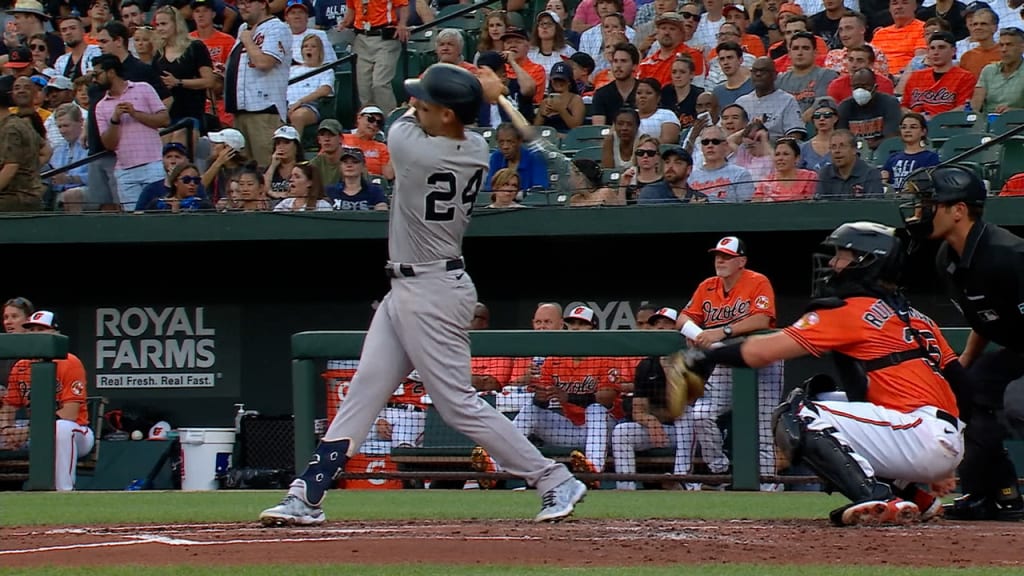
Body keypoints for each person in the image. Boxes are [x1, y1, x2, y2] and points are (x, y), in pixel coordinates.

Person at [259, 63, 587, 527]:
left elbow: (402, 120)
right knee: (364, 391)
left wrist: (481, 90)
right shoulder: (473, 147)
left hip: (433, 289)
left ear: (448, 114)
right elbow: (448, 111)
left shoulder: (413, 147)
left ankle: (553, 478)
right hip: (410, 286)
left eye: (426, 103)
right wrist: (489, 91)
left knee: (457, 404)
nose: (416, 104)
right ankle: (307, 493)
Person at [676, 221, 969, 525]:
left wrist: (697, 359)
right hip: (934, 432)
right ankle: (917, 500)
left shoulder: (852, 309)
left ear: (866, 262)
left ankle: (878, 497)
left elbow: (761, 351)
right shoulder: (917, 317)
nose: (832, 263)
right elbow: (962, 384)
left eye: (842, 255)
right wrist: (947, 461)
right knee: (823, 396)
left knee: (796, 413)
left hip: (918, 433)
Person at [902, 164, 1024, 521]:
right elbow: (983, 318)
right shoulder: (947, 258)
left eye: (930, 203)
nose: (920, 211)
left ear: (958, 211)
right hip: (1017, 349)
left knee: (1002, 397)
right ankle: (1000, 494)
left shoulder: (1008, 255)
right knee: (967, 391)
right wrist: (962, 368)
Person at [0, 311, 94, 492]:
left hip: (77, 434)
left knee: (61, 429)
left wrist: (30, 430)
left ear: (55, 334)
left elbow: (70, 414)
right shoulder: (20, 366)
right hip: (31, 432)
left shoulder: (70, 362)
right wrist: (6, 430)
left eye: (42, 329)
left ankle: (63, 492)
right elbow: (9, 406)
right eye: (32, 330)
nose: (36, 334)